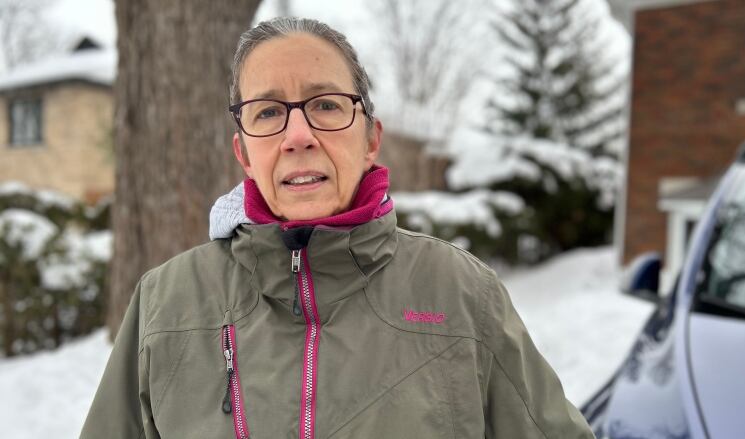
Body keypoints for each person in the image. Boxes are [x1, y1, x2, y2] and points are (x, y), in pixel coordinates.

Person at [80, 17, 595, 439]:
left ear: (371, 137)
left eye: (326, 105)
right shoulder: (164, 303)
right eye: (267, 112)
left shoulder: (461, 293)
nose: (298, 135)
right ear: (244, 152)